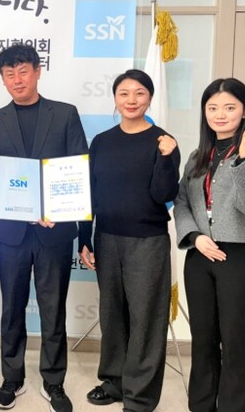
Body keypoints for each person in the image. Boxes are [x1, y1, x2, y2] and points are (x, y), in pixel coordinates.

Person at [0, 43, 87, 412]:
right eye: (9, 74)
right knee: (12, 307)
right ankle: (12, 378)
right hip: (12, 232)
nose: (17, 79)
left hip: (54, 228)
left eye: (23, 71)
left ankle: (54, 382)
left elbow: (77, 168)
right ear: (2, 79)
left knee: (53, 309)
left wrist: (57, 207)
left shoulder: (65, 114)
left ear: (38, 72)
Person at [78, 69, 180, 412]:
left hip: (147, 241)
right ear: (115, 98)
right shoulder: (102, 142)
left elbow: (164, 194)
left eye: (139, 93)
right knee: (112, 315)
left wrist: (165, 158)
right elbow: (89, 194)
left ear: (150, 98)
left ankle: (140, 397)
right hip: (106, 238)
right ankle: (115, 382)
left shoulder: (163, 141)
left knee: (146, 318)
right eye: (124, 93)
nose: (131, 100)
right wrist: (84, 238)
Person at [174, 78, 245, 412]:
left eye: (230, 107)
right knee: (202, 340)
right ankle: (201, 406)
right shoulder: (197, 157)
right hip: (200, 255)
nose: (220, 114)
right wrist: (195, 237)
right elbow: (182, 202)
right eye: (213, 107)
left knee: (234, 343)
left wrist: (243, 162)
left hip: (240, 257)